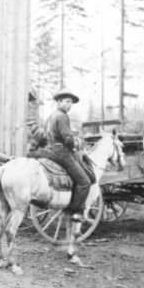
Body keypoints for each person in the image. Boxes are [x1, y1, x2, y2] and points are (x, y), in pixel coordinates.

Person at [42, 89, 91, 218]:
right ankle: (74, 211)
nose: (69, 105)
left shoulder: (51, 116)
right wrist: (75, 146)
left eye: (71, 103)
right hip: (61, 152)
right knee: (84, 182)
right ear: (59, 102)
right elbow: (68, 138)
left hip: (49, 150)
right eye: (67, 101)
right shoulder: (62, 116)